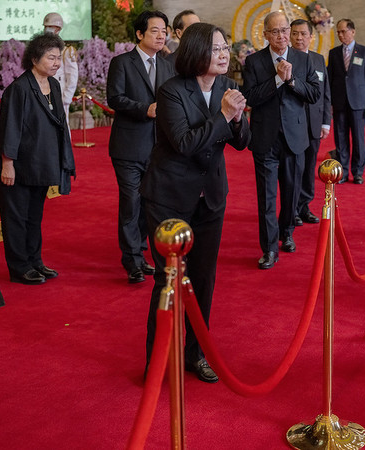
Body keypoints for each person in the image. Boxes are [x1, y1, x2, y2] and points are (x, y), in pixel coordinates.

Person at [141, 22, 250, 383]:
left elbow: (241, 142)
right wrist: (222, 115)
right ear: (196, 52)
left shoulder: (229, 86)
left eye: (225, 48)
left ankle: (195, 354)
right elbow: (185, 144)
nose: (224, 55)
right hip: (169, 197)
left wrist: (235, 118)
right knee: (167, 281)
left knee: (203, 280)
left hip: (210, 199)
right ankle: (157, 362)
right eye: (217, 49)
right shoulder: (171, 91)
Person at [0, 33, 75, 285]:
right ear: (35, 58)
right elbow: (10, 128)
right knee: (15, 218)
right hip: (16, 166)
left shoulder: (54, 85)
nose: (56, 62)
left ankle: (35, 261)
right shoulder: (18, 89)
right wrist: (7, 164)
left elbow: (59, 125)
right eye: (51, 57)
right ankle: (19, 267)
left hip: (40, 165)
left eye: (58, 57)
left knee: (34, 217)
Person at [242, 11, 321, 269]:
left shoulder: (303, 59)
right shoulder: (254, 62)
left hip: (295, 137)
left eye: (285, 29)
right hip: (265, 138)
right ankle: (269, 248)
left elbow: (313, 94)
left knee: (291, 191)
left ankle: (287, 233)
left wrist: (292, 80)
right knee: (266, 197)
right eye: (275, 31)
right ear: (265, 35)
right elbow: (250, 98)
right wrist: (277, 79)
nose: (283, 36)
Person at [106, 10, 174, 284]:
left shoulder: (168, 66)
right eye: (155, 30)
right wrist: (145, 109)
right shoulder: (122, 62)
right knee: (131, 203)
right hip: (128, 146)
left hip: (158, 148)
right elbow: (115, 98)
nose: (161, 35)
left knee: (151, 203)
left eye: (164, 30)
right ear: (139, 34)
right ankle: (132, 260)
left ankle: (142, 252)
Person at [289, 19, 331, 226]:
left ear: (311, 37)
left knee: (309, 167)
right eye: (295, 33)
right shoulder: (285, 59)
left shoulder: (318, 59)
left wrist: (326, 122)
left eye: (303, 34)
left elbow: (325, 93)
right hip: (292, 124)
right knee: (294, 168)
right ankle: (292, 209)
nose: (299, 38)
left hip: (314, 123)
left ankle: (304, 206)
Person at [328, 19, 365, 184]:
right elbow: (330, 80)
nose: (341, 35)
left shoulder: (364, 51)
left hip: (359, 103)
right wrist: (330, 103)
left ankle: (358, 172)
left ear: (353, 32)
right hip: (339, 102)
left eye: (343, 31)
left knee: (358, 138)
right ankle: (343, 172)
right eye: (338, 32)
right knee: (340, 139)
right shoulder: (333, 53)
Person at [42, 13, 78, 122]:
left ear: (57, 29)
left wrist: (66, 97)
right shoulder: (41, 49)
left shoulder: (66, 50)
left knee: (61, 125)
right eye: (45, 27)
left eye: (49, 27)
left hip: (59, 94)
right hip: (43, 92)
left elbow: (72, 75)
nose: (46, 29)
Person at [165, 9, 200, 74]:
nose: (199, 30)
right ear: (179, 33)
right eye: (193, 27)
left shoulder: (209, 57)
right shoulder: (169, 64)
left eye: (200, 26)